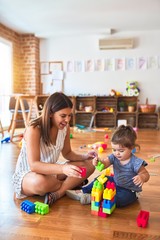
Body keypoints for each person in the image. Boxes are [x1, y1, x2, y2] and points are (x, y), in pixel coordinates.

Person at [12, 92, 96, 206]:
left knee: (90, 164)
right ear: (51, 113)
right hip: (29, 175)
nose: (67, 120)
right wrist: (63, 169)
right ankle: (68, 184)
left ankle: (58, 193)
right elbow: (34, 165)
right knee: (40, 182)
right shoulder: (34, 129)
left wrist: (85, 156)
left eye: (69, 115)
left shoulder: (65, 128)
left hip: (52, 172)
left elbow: (67, 153)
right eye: (63, 116)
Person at [66, 125, 150, 207]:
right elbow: (105, 163)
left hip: (129, 190)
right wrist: (98, 162)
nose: (117, 153)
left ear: (131, 148)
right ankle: (83, 191)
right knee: (100, 178)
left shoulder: (135, 162)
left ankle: (95, 198)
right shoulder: (114, 157)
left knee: (121, 199)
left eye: (121, 150)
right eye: (114, 150)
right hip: (116, 183)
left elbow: (146, 174)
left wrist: (142, 177)